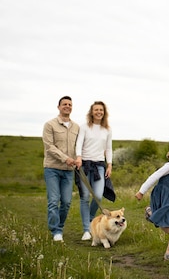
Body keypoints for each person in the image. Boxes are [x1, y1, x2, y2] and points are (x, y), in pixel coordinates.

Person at [42, 95, 80, 242]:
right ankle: (56, 231)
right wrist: (66, 158)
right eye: (64, 104)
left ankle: (59, 226)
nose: (67, 106)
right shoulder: (50, 125)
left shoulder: (76, 127)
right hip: (52, 168)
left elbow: (79, 146)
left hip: (69, 171)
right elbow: (49, 147)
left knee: (66, 201)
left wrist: (78, 158)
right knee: (53, 200)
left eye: (70, 104)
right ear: (58, 107)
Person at [75, 101, 113, 241]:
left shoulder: (107, 130)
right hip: (84, 165)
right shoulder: (84, 127)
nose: (98, 112)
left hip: (99, 165)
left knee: (98, 196)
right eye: (96, 110)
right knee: (85, 196)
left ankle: (90, 220)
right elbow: (79, 143)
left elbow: (108, 148)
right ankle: (86, 230)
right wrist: (78, 157)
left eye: (101, 110)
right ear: (91, 112)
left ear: (104, 112)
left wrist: (109, 164)